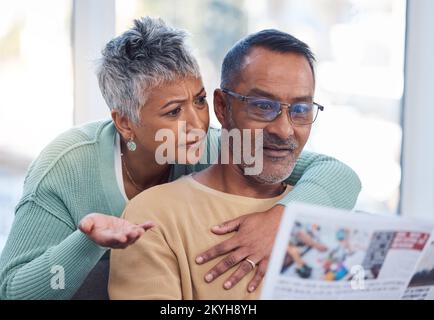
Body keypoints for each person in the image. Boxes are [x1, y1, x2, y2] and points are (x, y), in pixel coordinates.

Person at [0, 17, 360, 300]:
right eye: (173, 111)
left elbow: (336, 173)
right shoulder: (68, 166)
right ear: (126, 122)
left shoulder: (211, 146)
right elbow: (13, 289)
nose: (198, 123)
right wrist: (88, 241)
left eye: (199, 102)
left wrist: (282, 221)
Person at [109, 29, 360, 299]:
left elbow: (343, 175)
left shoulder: (323, 210)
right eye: (263, 106)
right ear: (221, 107)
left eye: (300, 110)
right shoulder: (153, 216)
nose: (285, 130)